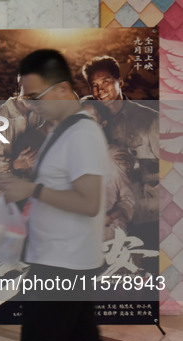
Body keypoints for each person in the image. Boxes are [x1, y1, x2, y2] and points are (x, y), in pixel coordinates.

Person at [0, 49, 127, 341]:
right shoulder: (60, 131)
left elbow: (88, 201)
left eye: (36, 96)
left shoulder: (81, 134)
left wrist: (31, 188)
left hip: (62, 268)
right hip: (64, 262)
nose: (32, 104)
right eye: (27, 97)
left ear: (64, 89)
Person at [82, 56, 159, 235]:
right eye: (94, 85)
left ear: (120, 82)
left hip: (144, 218)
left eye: (106, 82)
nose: (100, 89)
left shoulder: (149, 120)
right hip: (106, 221)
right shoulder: (90, 118)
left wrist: (137, 166)